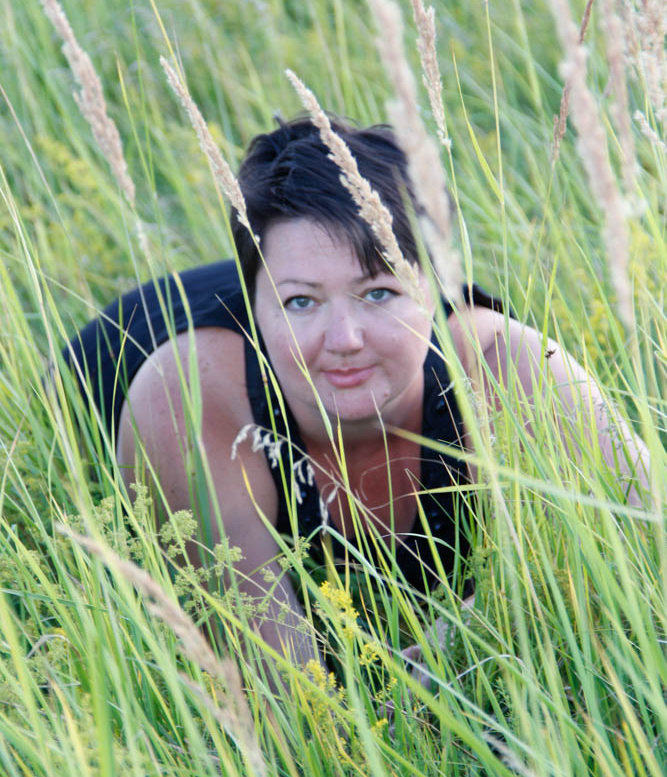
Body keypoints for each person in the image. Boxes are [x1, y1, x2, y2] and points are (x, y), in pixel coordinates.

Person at [62, 115, 650, 673]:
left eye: (379, 294)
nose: (344, 339)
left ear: (434, 288)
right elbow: (276, 692)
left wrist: (477, 631)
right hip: (109, 382)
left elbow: (648, 546)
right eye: (300, 303)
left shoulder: (510, 367)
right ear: (255, 308)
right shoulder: (187, 398)